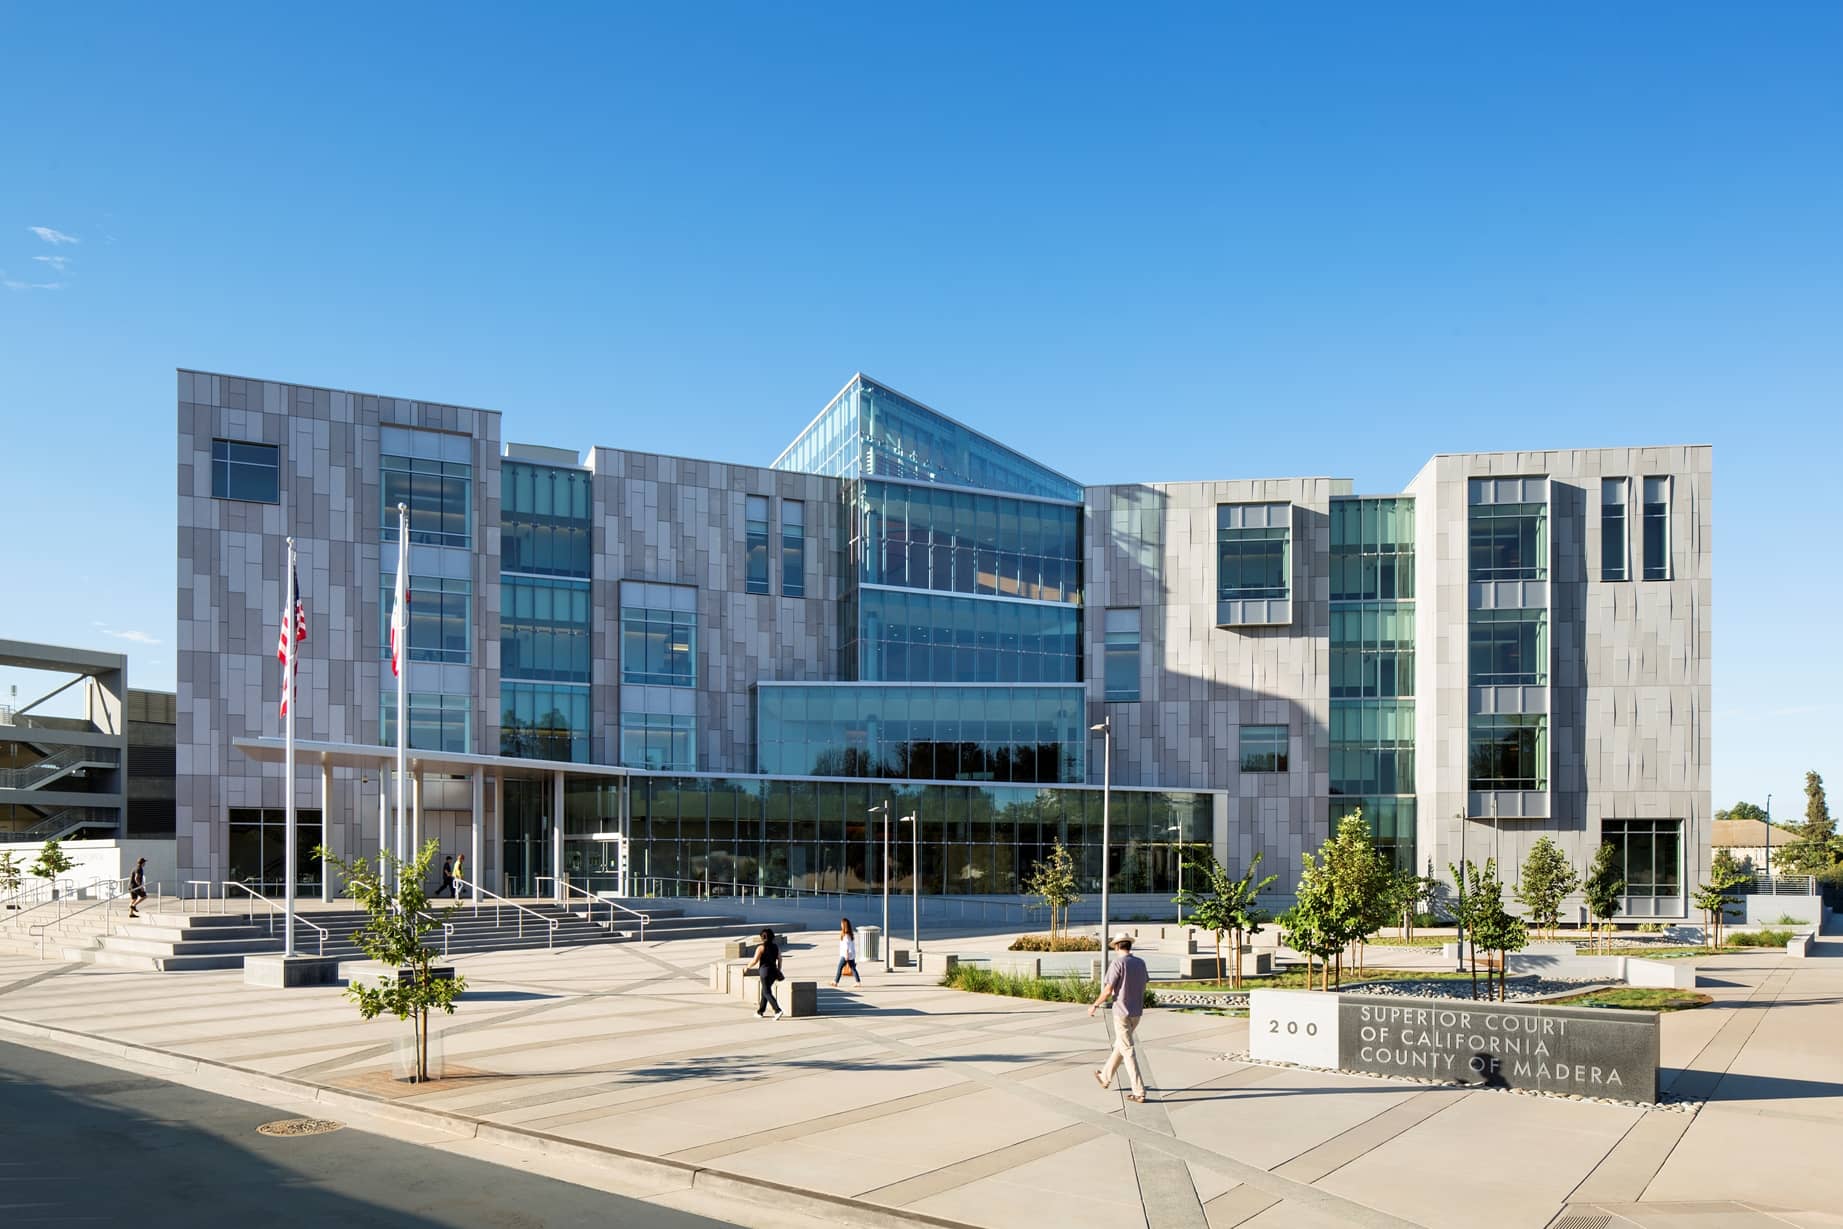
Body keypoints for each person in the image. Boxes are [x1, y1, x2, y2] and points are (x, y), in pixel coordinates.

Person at [1088, 934, 1149, 1103]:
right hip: (1136, 1012)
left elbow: (1108, 990)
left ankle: (1139, 1091)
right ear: (1130, 946)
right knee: (1121, 1046)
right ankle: (1105, 1077)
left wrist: (1095, 1005)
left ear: (1116, 947)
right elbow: (1144, 983)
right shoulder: (1140, 963)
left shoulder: (1117, 963)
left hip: (1121, 1012)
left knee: (1127, 1051)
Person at [746, 927, 784, 1019]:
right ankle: (760, 1011)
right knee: (764, 991)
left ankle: (777, 1010)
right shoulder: (776, 947)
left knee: (766, 992)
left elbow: (755, 961)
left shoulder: (761, 948)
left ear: (762, 937)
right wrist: (778, 969)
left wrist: (747, 967)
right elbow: (780, 959)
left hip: (764, 972)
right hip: (773, 972)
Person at [833, 918, 861, 988]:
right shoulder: (849, 935)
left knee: (840, 967)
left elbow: (846, 946)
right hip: (850, 955)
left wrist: (846, 956)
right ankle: (858, 982)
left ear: (844, 925)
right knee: (853, 968)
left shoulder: (846, 936)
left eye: (842, 924)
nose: (841, 925)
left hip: (846, 955)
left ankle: (835, 982)